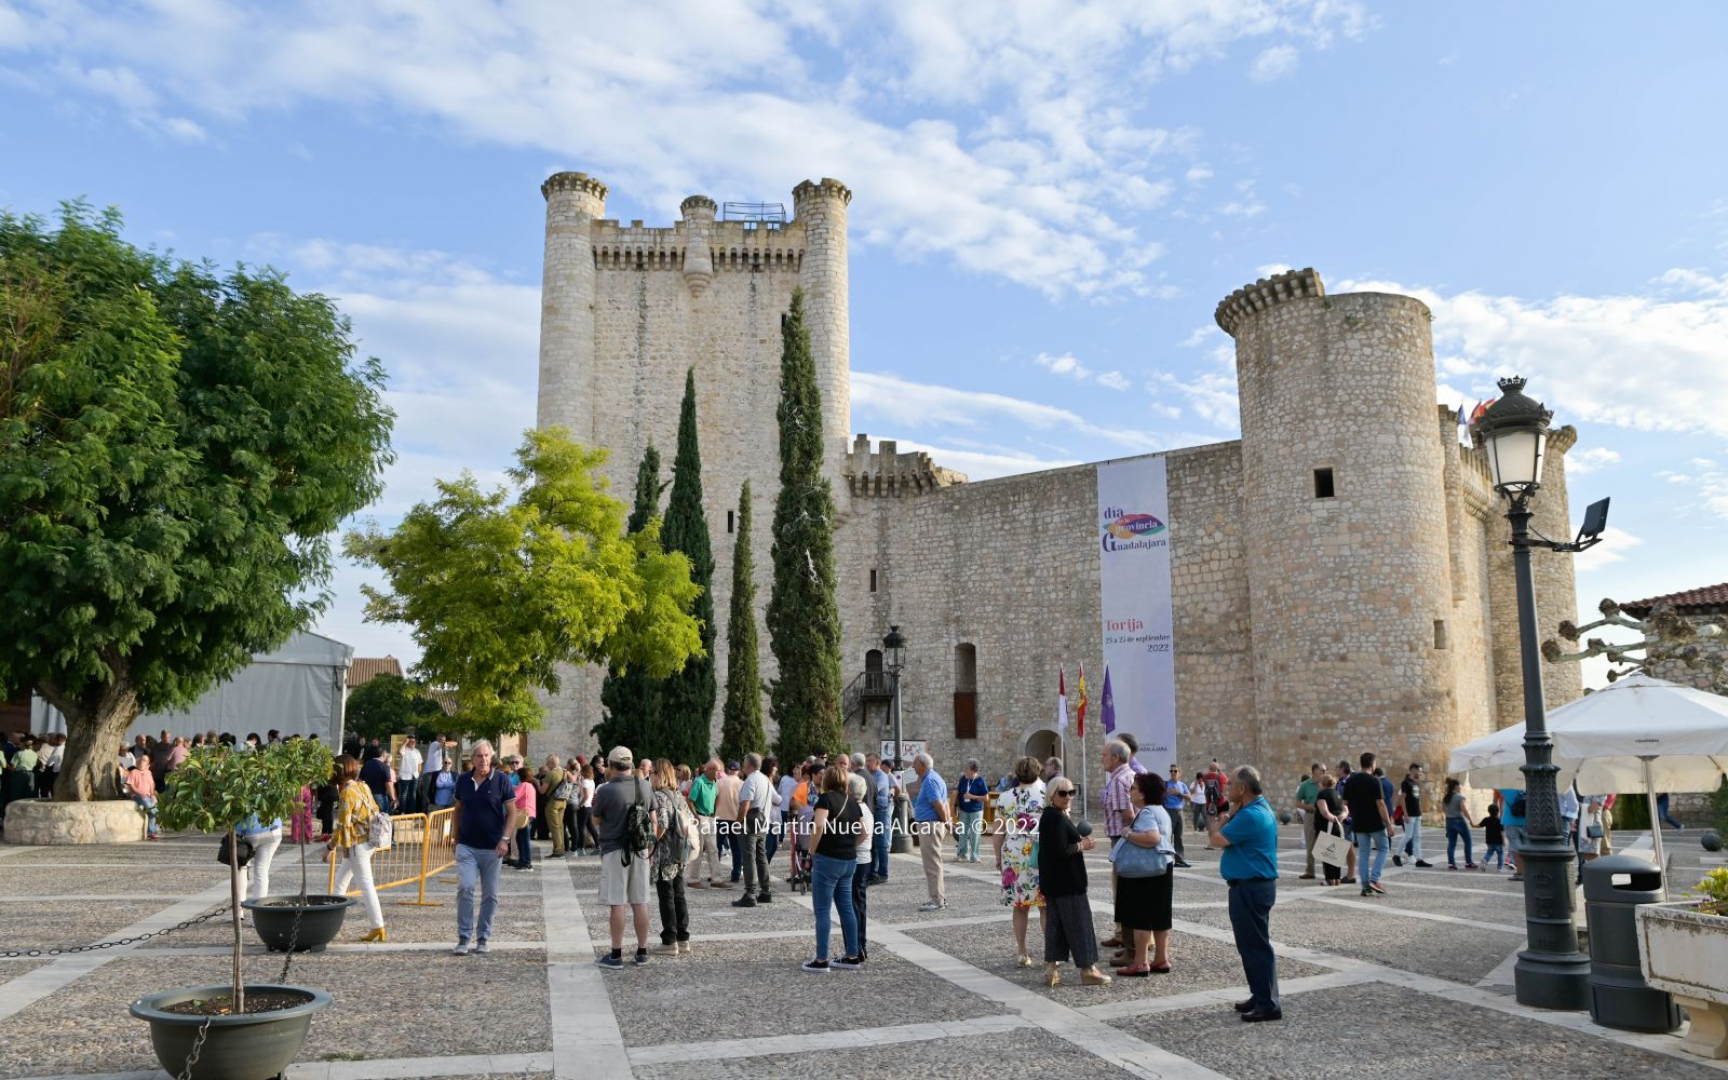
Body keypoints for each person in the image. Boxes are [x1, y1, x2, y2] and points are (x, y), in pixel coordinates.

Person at [1208, 765, 1280, 1022]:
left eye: (1231, 785)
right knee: (1252, 944)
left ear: (1242, 788)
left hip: (1250, 887)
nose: (1227, 789)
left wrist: (1219, 817)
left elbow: (1216, 840)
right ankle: (1261, 994)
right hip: (1253, 886)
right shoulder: (1256, 809)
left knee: (1254, 946)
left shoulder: (1250, 816)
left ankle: (1267, 1003)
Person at [1038, 778, 1111, 987]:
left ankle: (1050, 969)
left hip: (1055, 883)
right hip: (1068, 883)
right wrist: (1082, 845)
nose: (1068, 797)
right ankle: (1088, 969)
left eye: (1071, 792)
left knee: (1056, 927)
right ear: (1052, 795)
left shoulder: (1052, 815)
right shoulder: (1055, 817)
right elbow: (1059, 851)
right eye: (1063, 793)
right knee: (1080, 925)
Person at [451, 739, 519, 956]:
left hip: (493, 847)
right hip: (467, 845)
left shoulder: (502, 780)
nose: (483, 760)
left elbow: (513, 812)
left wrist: (505, 839)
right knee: (466, 887)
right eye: (479, 756)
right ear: (472, 759)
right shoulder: (462, 780)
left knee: (490, 894)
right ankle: (463, 937)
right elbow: (457, 809)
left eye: (487, 756)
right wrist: (455, 839)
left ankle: (483, 937)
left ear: (492, 757)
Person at [593, 746, 655, 969]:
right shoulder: (645, 786)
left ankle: (616, 954)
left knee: (617, 902)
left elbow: (597, 820)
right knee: (640, 902)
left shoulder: (606, 791)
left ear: (610, 766)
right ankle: (642, 951)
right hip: (640, 849)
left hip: (614, 850)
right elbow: (653, 817)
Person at [1114, 771, 1176, 976]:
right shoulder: (1162, 811)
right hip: (1163, 865)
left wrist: (1128, 833)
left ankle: (1140, 962)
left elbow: (1153, 838)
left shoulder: (1147, 812)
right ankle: (1161, 958)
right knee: (1160, 915)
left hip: (1145, 871)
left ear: (1143, 793)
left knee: (1141, 915)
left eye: (1133, 788)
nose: (1130, 792)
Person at [803, 764, 863, 971]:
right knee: (846, 908)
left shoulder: (826, 799)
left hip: (827, 859)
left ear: (827, 780)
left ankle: (821, 959)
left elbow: (819, 826)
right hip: (849, 860)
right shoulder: (853, 802)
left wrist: (812, 851)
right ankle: (852, 955)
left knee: (822, 910)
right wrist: (849, 845)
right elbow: (864, 832)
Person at [328, 754, 388, 944]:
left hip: (357, 844)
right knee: (340, 883)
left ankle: (377, 925)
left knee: (365, 884)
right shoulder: (363, 785)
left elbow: (343, 825)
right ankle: (331, 924)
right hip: (368, 841)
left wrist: (330, 847)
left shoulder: (346, 793)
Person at [992, 756, 1046, 967]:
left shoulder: (1005, 797)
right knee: (1045, 905)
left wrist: (998, 857)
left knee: (1020, 905)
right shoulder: (1047, 794)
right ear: (1038, 770)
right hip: (1041, 853)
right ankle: (1051, 952)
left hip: (1014, 854)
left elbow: (997, 831)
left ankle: (1022, 952)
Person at [650, 760, 691, 956]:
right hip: (680, 851)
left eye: (652, 772)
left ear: (659, 774)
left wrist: (651, 843)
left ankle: (669, 940)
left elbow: (663, 823)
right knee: (679, 893)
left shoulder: (658, 795)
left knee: (666, 895)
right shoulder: (677, 796)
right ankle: (683, 938)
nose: (650, 776)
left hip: (665, 853)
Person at [1099, 740, 1135, 954]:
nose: (1101, 758)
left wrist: (1129, 838)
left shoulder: (1120, 780)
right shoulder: (1128, 776)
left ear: (1116, 757)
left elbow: (1129, 816)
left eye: (1104, 755)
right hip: (1125, 840)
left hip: (1123, 841)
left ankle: (1129, 942)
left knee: (1123, 891)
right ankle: (1127, 936)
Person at [1343, 752, 1394, 896]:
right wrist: (1389, 824)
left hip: (1358, 822)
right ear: (1373, 764)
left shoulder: (1351, 781)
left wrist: (1351, 814)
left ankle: (1365, 885)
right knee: (1384, 848)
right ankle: (1374, 879)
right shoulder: (1374, 781)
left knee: (1364, 853)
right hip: (1375, 822)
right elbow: (1380, 804)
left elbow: (1345, 803)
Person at [910, 753, 952, 911]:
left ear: (922, 764)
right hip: (932, 824)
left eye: (915, 763)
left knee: (932, 864)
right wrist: (946, 820)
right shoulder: (935, 778)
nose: (913, 767)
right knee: (934, 863)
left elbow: (939, 804)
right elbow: (944, 803)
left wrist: (946, 821)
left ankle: (937, 900)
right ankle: (938, 897)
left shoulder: (930, 781)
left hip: (930, 825)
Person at [733, 752, 773, 906]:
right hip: (763, 824)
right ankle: (765, 891)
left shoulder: (750, 780)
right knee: (761, 857)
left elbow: (745, 805)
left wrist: (738, 822)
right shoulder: (765, 779)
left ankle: (750, 893)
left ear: (748, 765)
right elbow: (777, 799)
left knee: (749, 857)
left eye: (744, 764)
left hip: (750, 824)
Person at [846, 771, 875, 961]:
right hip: (864, 860)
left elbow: (862, 833)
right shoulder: (865, 808)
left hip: (858, 860)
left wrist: (848, 848)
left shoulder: (856, 810)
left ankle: (856, 947)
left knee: (853, 905)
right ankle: (860, 945)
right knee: (859, 903)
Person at [237, 809, 284, 915]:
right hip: (272, 830)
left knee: (241, 870)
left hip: (246, 832)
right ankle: (258, 914)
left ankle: (238, 913)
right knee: (261, 871)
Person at [688, 759, 723, 887]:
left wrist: (715, 811)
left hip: (710, 818)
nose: (719, 773)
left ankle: (717, 879)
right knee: (698, 850)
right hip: (700, 818)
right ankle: (693, 880)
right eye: (717, 770)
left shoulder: (714, 782)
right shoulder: (699, 782)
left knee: (713, 849)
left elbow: (717, 796)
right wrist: (695, 815)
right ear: (709, 770)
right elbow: (690, 800)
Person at [1393, 763, 1432, 868]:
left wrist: (1420, 811)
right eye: (1419, 771)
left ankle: (1419, 859)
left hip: (1417, 814)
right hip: (1410, 814)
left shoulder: (1416, 783)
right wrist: (1405, 814)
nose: (1420, 773)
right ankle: (1396, 855)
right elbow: (1402, 799)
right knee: (1408, 836)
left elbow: (1417, 799)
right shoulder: (1406, 783)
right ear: (1413, 770)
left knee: (1417, 837)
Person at [954, 759, 989, 863]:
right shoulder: (963, 779)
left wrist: (972, 796)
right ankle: (962, 854)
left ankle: (974, 856)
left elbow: (986, 798)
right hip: (964, 810)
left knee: (975, 833)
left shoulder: (980, 780)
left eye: (967, 768)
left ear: (973, 770)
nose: (965, 770)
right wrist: (953, 806)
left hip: (976, 811)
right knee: (962, 833)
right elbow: (957, 792)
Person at [716, 761, 744, 885]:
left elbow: (714, 799)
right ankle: (736, 874)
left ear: (727, 770)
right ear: (739, 770)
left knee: (716, 847)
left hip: (720, 818)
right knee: (736, 848)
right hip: (736, 819)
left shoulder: (719, 782)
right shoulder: (742, 784)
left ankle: (715, 874)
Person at [1314, 773, 1345, 885]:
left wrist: (1332, 818)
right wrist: (1340, 817)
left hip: (1326, 825)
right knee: (1336, 852)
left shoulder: (1322, 794)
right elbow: (1344, 809)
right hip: (1338, 826)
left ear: (1323, 783)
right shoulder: (1337, 794)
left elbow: (1324, 811)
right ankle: (1337, 878)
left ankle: (1329, 878)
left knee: (1327, 853)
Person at [868, 754, 894, 883]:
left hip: (881, 811)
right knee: (873, 843)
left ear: (877, 762)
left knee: (881, 843)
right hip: (873, 811)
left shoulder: (882, 776)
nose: (867, 763)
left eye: (870, 760)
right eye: (866, 760)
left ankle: (883, 874)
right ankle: (873, 872)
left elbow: (873, 790)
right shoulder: (871, 775)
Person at [539, 755, 570, 859]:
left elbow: (542, 791)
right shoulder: (565, 772)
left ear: (551, 763)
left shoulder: (551, 774)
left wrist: (536, 782)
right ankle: (561, 848)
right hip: (563, 801)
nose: (546, 765)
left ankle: (558, 851)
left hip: (553, 803)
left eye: (547, 763)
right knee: (560, 826)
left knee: (554, 827)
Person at [1295, 764, 1322, 879]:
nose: (1325, 772)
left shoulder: (1327, 783)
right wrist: (1308, 806)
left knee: (1328, 843)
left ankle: (1330, 874)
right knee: (1310, 844)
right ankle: (1310, 871)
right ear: (1315, 771)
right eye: (1323, 770)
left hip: (1325, 816)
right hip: (1311, 816)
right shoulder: (1305, 785)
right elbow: (1297, 802)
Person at [124, 754, 160, 840]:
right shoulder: (133, 772)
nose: (141, 761)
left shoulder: (149, 773)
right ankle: (158, 815)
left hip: (148, 795)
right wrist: (139, 793)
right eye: (140, 760)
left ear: (148, 764)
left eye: (144, 760)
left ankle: (151, 833)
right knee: (150, 807)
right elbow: (131, 785)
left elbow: (151, 785)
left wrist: (153, 795)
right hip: (137, 796)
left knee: (151, 811)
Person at [1164, 765, 1193, 868]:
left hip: (1180, 811)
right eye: (1171, 770)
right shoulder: (1165, 784)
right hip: (1169, 811)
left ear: (1179, 773)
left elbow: (1189, 797)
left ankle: (1179, 860)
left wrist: (1178, 793)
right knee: (1168, 836)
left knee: (1179, 837)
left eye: (1175, 771)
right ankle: (1165, 859)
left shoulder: (1182, 785)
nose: (1173, 772)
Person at [510, 764, 537, 871]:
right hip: (529, 813)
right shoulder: (529, 785)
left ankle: (526, 862)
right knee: (520, 837)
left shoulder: (524, 785)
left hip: (524, 814)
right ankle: (522, 860)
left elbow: (513, 797)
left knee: (523, 839)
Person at [1497, 787, 1528, 880]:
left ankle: (1520, 872)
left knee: (1516, 847)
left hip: (1510, 821)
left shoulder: (1507, 788)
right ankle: (1528, 871)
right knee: (1527, 846)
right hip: (1526, 821)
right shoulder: (1528, 788)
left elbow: (1497, 787)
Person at [359, 745, 395, 815]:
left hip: (367, 795)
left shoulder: (366, 764)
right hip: (380, 795)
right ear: (383, 755)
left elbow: (360, 780)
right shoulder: (384, 767)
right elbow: (389, 784)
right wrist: (393, 797)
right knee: (382, 818)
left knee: (369, 817)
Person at [397, 737, 423, 814]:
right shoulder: (404, 749)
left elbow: (420, 763)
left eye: (414, 742)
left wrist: (418, 773)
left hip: (414, 775)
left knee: (413, 795)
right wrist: (404, 742)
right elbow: (399, 752)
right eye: (410, 741)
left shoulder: (417, 751)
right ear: (408, 742)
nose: (412, 743)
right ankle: (402, 812)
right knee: (403, 795)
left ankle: (412, 812)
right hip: (405, 776)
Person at [1480, 801, 1506, 871]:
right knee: (1500, 853)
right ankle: (1499, 867)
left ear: (1488, 811)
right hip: (1498, 841)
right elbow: (1501, 832)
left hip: (1489, 840)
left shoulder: (1486, 819)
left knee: (1489, 852)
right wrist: (1504, 841)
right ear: (1498, 812)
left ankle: (1485, 860)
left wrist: (1473, 825)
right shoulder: (1499, 821)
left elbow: (1479, 825)